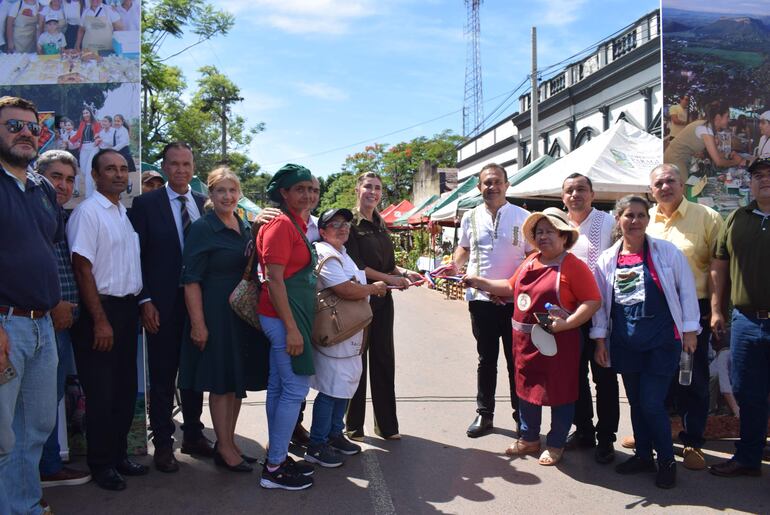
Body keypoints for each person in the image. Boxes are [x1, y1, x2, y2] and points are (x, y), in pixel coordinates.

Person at [463, 207, 600, 465]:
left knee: (561, 392)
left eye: (550, 231)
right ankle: (529, 438)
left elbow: (592, 301)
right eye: (539, 232)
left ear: (564, 237)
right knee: (526, 390)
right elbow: (508, 287)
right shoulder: (530, 261)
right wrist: (478, 281)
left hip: (560, 341)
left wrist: (567, 323)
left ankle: (557, 443)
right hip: (525, 343)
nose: (543, 236)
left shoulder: (574, 266)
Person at [592, 195, 700, 489]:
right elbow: (601, 304)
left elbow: (686, 291)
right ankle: (642, 455)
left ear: (647, 220)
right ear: (618, 219)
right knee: (637, 404)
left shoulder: (667, 252)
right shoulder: (606, 260)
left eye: (641, 215)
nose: (635, 221)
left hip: (662, 341)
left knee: (652, 402)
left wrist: (690, 330)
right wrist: (600, 340)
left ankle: (666, 459)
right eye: (629, 215)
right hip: (626, 343)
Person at [129, 143, 213, 473]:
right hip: (161, 306)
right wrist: (144, 299)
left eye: (186, 164)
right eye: (174, 164)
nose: (180, 169)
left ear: (194, 167)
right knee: (163, 377)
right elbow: (134, 257)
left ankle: (193, 433)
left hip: (200, 306)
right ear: (164, 167)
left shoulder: (204, 203)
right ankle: (163, 443)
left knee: (193, 375)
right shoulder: (146, 204)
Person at [178, 166, 268, 473]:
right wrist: (198, 324)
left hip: (240, 314)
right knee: (220, 383)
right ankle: (225, 448)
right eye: (220, 191)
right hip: (214, 313)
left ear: (239, 194)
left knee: (235, 382)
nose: (227, 196)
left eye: (232, 190)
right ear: (210, 195)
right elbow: (190, 280)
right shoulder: (203, 228)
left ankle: (228, 442)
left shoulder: (243, 225)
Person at [68, 149, 144, 491]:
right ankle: (101, 465)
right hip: (100, 312)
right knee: (101, 393)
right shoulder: (88, 213)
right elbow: (82, 268)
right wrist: (99, 320)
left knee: (125, 390)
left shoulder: (122, 214)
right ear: (94, 176)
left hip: (127, 311)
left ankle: (118, 456)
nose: (118, 174)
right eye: (110, 169)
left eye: (123, 169)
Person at [0, 96, 62, 515]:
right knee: (2, 436)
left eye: (31, 126)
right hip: (5, 325)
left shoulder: (41, 187)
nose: (25, 132)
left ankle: (22, 506)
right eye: (12, 126)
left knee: (35, 429)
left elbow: (46, 247)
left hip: (43, 327)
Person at [647, 163, 723, 471]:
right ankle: (655, 434)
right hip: (656, 313)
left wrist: (717, 310)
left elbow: (719, 269)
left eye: (670, 181)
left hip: (695, 312)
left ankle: (693, 440)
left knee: (693, 377)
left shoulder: (707, 217)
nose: (665, 187)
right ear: (651, 190)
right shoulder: (644, 219)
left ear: (682, 184)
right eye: (658, 183)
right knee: (657, 375)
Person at [450, 163, 530, 438]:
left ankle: (522, 418)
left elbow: (532, 258)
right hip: (480, 300)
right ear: (479, 187)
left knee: (515, 360)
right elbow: (464, 248)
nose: (491, 187)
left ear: (507, 185)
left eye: (497, 182)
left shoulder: (524, 217)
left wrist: (506, 289)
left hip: (514, 300)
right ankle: (485, 415)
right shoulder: (470, 217)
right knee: (486, 359)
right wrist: (454, 266)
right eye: (486, 183)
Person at [304, 208, 388, 468]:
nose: (343, 228)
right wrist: (374, 288)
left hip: (350, 329)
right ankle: (316, 445)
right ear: (323, 229)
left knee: (345, 386)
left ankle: (334, 434)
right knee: (330, 390)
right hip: (335, 330)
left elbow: (354, 279)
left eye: (346, 224)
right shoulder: (324, 252)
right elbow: (345, 289)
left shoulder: (342, 252)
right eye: (335, 224)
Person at [345, 171, 423, 442]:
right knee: (357, 362)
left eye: (377, 188)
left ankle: (387, 426)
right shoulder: (351, 224)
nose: (373, 192)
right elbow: (357, 267)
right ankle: (353, 426)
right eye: (368, 186)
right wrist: (391, 278)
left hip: (383, 301)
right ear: (358, 189)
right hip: (359, 299)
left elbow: (386, 264)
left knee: (383, 360)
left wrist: (406, 271)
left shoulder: (379, 223)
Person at [256, 164, 319, 490]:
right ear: (284, 193)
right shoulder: (281, 225)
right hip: (283, 319)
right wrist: (292, 329)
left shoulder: (295, 223)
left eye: (311, 189)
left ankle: (277, 456)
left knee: (280, 388)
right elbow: (274, 280)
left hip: (286, 316)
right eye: (300, 189)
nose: (307, 195)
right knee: (294, 389)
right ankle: (274, 468)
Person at [709, 158, 770, 478]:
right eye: (758, 176)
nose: (764, 180)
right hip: (746, 321)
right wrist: (717, 309)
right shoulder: (736, 218)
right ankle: (748, 457)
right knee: (749, 391)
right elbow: (719, 266)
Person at [35, 150, 92, 489]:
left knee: (51, 397)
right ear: (38, 176)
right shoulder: (33, 214)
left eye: (70, 179)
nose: (64, 185)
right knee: (36, 403)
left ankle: (48, 464)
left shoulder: (60, 215)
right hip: (41, 320)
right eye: (56, 176)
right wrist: (54, 302)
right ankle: (43, 468)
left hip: (64, 323)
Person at [561, 173, 619, 463]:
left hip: (603, 314)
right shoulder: (558, 226)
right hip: (569, 316)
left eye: (581, 189)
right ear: (563, 198)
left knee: (605, 378)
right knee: (575, 377)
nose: (575, 195)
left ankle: (606, 438)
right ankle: (583, 430)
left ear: (592, 194)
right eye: (569, 191)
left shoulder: (608, 223)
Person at [663, 100, 745, 181]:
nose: (729, 120)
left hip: (679, 157)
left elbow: (715, 154)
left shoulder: (707, 127)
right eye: (727, 116)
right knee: (682, 190)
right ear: (718, 117)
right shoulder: (705, 129)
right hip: (676, 158)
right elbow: (718, 161)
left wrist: (728, 156)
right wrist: (736, 162)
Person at [69, 105, 100, 198]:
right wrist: (69, 140)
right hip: (84, 147)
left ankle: (89, 194)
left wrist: (97, 141)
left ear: (90, 113)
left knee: (89, 170)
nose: (85, 114)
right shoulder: (82, 123)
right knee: (83, 170)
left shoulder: (96, 123)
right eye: (84, 113)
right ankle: (95, 186)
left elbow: (99, 135)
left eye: (87, 112)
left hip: (93, 147)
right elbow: (78, 135)